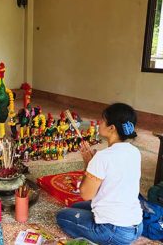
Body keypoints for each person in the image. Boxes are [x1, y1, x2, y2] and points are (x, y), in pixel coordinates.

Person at [56, 103, 143, 244]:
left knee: (62, 216)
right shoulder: (134, 151)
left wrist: (90, 163)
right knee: (75, 207)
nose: (99, 122)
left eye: (102, 120)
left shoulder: (103, 157)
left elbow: (86, 194)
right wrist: (92, 163)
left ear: (112, 128)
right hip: (136, 226)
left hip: (114, 231)